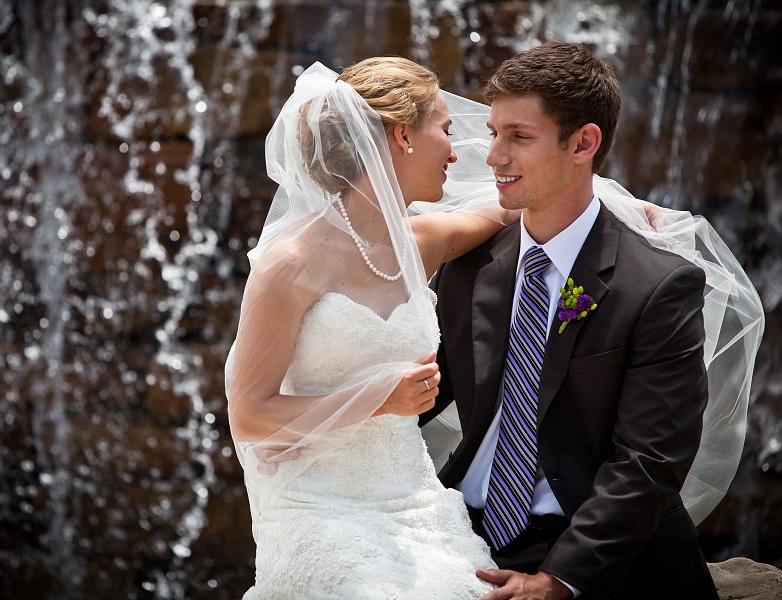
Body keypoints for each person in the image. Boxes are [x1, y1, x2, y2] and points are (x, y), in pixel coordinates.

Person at [420, 41, 763, 599]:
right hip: (461, 527)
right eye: (494, 132)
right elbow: (421, 396)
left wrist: (558, 581)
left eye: (519, 137)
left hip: (592, 551)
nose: (493, 156)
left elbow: (650, 459)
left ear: (583, 143)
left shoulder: (657, 286)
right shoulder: (468, 267)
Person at [224, 57, 513, 598]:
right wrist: (378, 397)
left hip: (413, 501)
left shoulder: (420, 241)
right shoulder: (290, 263)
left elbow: (513, 208)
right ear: (402, 135)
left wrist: (619, 206)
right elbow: (249, 415)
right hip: (318, 505)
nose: (456, 152)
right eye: (446, 130)